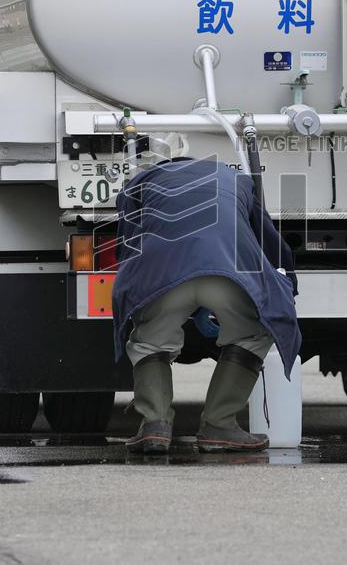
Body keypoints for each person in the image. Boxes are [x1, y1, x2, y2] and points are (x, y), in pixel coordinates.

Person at [112, 152, 300, 455]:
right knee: (253, 333)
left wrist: (138, 289)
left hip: (163, 270)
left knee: (149, 341)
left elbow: (128, 241)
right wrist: (287, 280)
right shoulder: (238, 179)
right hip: (226, 269)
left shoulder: (142, 181)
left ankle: (155, 426)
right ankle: (219, 426)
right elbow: (267, 239)